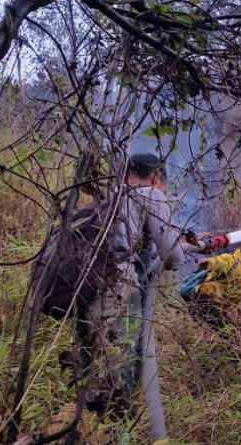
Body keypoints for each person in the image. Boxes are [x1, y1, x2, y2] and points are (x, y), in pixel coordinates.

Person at [77, 153, 184, 443]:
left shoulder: (108, 198)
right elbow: (172, 254)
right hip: (121, 290)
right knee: (121, 375)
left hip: (87, 292)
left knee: (91, 369)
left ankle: (82, 430)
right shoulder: (151, 195)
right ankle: (117, 435)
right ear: (156, 177)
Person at [189, 240, 241, 329]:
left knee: (234, 334)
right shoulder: (231, 261)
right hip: (205, 298)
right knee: (230, 335)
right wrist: (208, 263)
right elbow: (218, 261)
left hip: (219, 308)